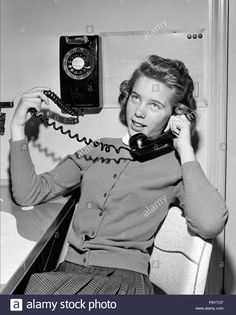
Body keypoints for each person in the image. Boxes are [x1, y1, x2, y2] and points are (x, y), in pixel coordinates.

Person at [9, 55, 229, 295]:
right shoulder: (96, 148)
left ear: (174, 115)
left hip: (124, 284)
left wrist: (185, 150)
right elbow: (29, 194)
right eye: (136, 98)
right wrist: (17, 126)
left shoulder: (176, 165)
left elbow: (210, 223)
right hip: (68, 275)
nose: (139, 112)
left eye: (154, 105)